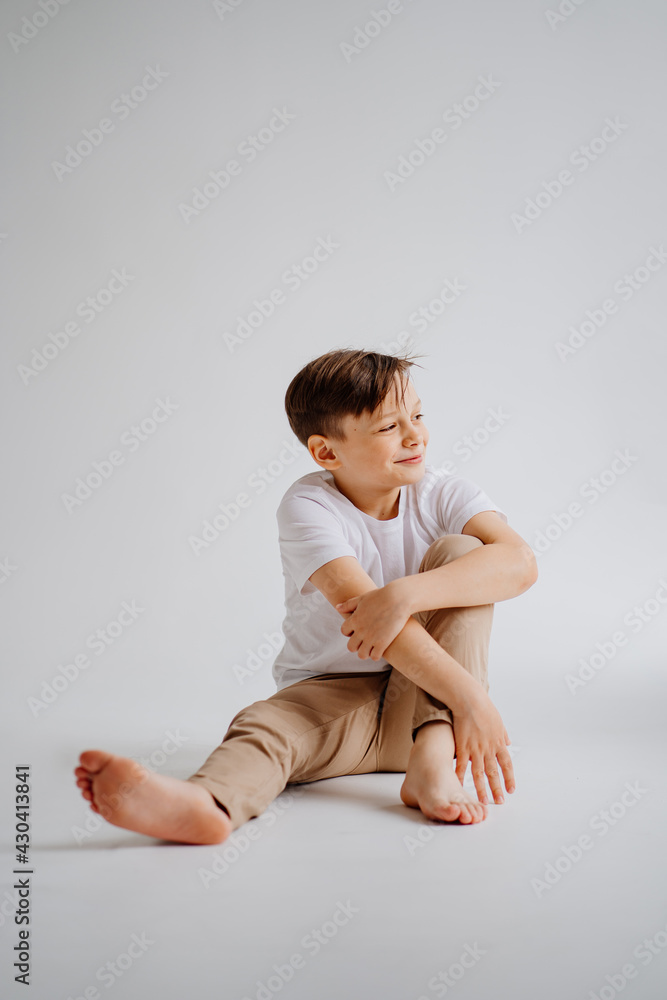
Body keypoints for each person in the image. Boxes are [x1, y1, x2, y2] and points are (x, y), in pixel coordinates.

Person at [74, 348, 538, 843]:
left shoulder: (442, 493)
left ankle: (430, 765)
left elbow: (520, 562)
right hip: (338, 696)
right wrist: (472, 698)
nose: (414, 435)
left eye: (418, 415)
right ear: (326, 452)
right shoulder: (309, 506)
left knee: (464, 552)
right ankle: (206, 804)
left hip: (431, 709)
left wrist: (403, 595)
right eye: (387, 428)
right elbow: (376, 627)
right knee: (266, 724)